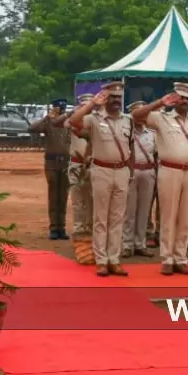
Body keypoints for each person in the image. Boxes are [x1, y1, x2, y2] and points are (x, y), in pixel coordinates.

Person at [130, 83, 188, 275]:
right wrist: (159, 103)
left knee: (185, 216)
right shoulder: (161, 117)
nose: (185, 102)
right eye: (181, 98)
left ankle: (180, 257)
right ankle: (167, 258)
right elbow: (136, 116)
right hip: (170, 170)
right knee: (169, 215)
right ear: (174, 99)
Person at [70, 83, 133, 276]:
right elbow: (74, 121)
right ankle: (101, 260)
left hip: (121, 170)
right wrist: (92, 104)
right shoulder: (95, 119)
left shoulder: (127, 120)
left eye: (118, 98)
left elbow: (130, 146)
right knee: (101, 218)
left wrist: (130, 171)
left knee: (117, 218)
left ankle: (114, 259)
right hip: (101, 170)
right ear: (105, 99)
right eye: (111, 97)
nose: (115, 101)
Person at [29, 98, 71, 240]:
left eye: (63, 109)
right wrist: (47, 117)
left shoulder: (69, 123)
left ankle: (62, 228)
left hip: (66, 163)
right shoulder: (48, 124)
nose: (62, 111)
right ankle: (54, 228)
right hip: (52, 163)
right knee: (53, 196)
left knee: (63, 196)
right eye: (59, 109)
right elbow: (32, 128)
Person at [123, 101, 156, 258]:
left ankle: (140, 243)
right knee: (129, 211)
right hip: (132, 171)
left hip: (148, 171)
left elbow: (156, 154)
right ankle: (127, 244)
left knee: (144, 210)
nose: (142, 117)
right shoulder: (126, 132)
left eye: (145, 114)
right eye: (139, 113)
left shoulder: (152, 134)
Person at [68, 94, 94, 254]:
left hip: (92, 165)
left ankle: (90, 233)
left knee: (92, 201)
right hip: (76, 164)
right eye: (84, 105)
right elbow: (68, 124)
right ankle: (78, 231)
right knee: (78, 201)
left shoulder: (96, 122)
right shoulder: (73, 121)